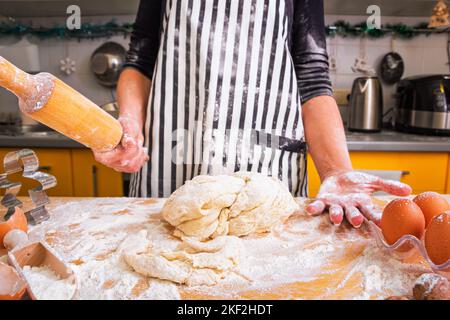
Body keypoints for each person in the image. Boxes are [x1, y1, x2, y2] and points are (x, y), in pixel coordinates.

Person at [94, 0, 411, 228]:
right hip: (173, 167)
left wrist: (335, 171)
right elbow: (140, 61)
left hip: (267, 172)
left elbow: (312, 76)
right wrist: (130, 125)